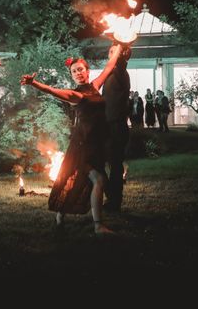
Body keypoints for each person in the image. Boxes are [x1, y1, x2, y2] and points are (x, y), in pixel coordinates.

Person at [20, 44, 122, 234]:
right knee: (98, 179)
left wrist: (117, 47)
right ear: (72, 75)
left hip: (96, 144)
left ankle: (61, 214)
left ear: (87, 71)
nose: (78, 73)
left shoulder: (94, 87)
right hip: (82, 145)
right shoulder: (74, 95)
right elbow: (52, 91)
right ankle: (98, 225)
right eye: (74, 71)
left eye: (80, 69)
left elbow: (109, 67)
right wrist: (34, 83)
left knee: (79, 181)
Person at [103, 45, 131, 212]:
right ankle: (111, 197)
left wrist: (121, 51)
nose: (112, 55)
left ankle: (114, 202)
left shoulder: (121, 73)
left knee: (115, 165)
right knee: (98, 163)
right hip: (106, 125)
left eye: (116, 52)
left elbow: (120, 64)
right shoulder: (109, 74)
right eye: (111, 52)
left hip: (117, 126)